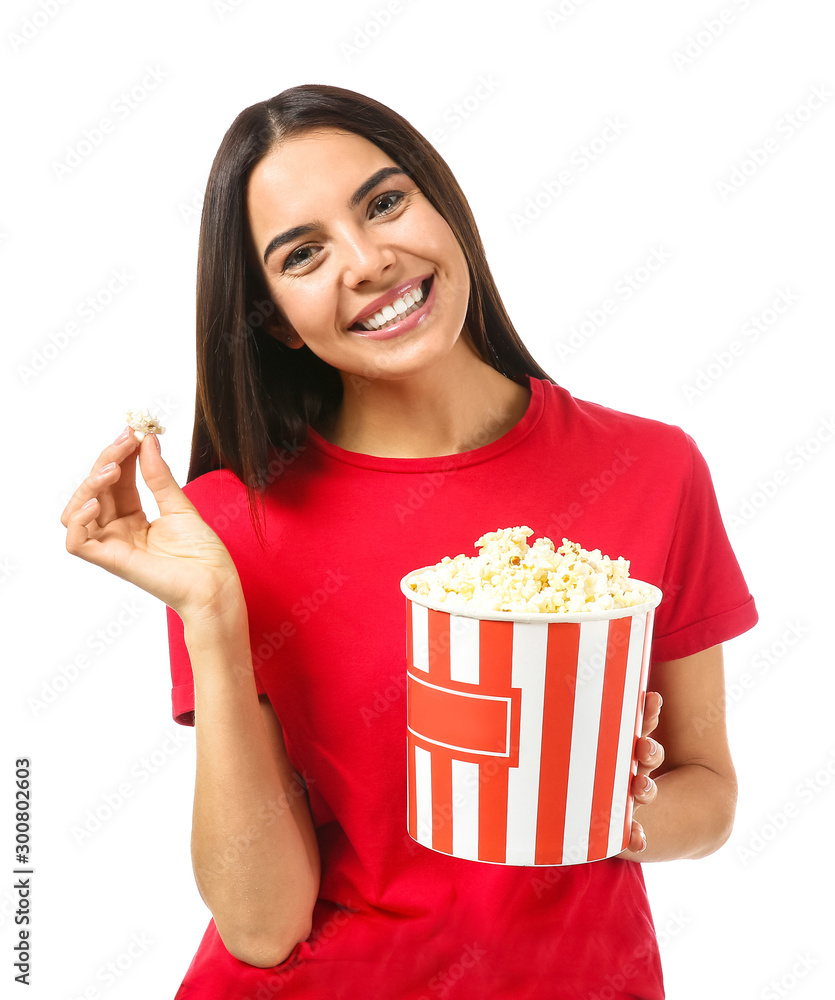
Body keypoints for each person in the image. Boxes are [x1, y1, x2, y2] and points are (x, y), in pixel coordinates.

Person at [61, 84, 758, 999]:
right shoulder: (229, 521)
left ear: (444, 206)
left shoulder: (649, 469)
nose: (369, 261)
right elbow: (263, 928)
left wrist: (595, 810)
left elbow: (707, 800)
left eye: (384, 202)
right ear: (274, 318)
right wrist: (212, 617)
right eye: (303, 254)